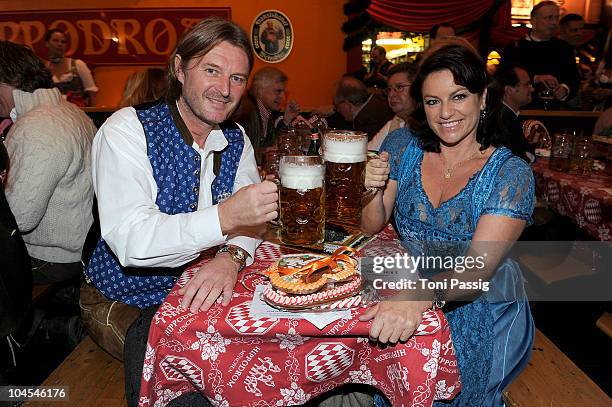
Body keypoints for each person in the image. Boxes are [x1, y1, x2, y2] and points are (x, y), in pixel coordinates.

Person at [82, 16, 277, 405]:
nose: (224, 90)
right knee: (198, 375)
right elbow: (132, 241)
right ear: (179, 69)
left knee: (267, 356)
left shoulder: (236, 138)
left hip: (203, 290)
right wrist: (226, 218)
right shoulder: (127, 130)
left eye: (237, 78)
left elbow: (252, 220)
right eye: (212, 70)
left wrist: (232, 256)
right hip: (124, 299)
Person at [361, 42, 534, 406]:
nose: (445, 113)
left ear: (483, 98)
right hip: (406, 287)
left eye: (458, 96)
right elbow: (371, 225)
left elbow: (477, 271)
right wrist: (371, 190)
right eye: (432, 101)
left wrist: (417, 299)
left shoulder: (509, 173)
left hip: (477, 307)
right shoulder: (404, 144)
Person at [1, 40, 97, 285]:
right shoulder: (71, 111)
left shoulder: (36, 126)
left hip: (49, 260)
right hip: (80, 253)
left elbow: (19, 218)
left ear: (5, 81)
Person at [502, 1, 581, 103]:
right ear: (534, 21)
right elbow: (505, 77)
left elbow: (574, 78)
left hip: (556, 109)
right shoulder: (516, 47)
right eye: (549, 18)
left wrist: (565, 89)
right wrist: (536, 78)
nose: (554, 22)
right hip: (524, 108)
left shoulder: (564, 48)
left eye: (556, 18)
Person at [232, 66, 299, 154]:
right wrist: (263, 153)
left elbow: (272, 143)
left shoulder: (266, 111)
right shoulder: (244, 111)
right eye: (278, 91)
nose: (283, 98)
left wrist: (286, 119)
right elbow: (235, 152)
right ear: (259, 90)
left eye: (284, 93)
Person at [368, 62, 417, 151]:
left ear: (418, 89)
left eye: (399, 87)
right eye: (389, 89)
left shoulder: (431, 126)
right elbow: (369, 153)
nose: (391, 94)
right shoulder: (394, 123)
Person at [492, 63, 536, 162]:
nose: (532, 89)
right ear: (509, 90)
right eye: (527, 85)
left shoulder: (509, 116)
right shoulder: (501, 121)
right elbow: (517, 159)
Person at [43, 28, 99, 106]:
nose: (60, 44)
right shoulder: (44, 69)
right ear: (47, 43)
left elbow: (91, 93)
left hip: (77, 113)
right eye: (55, 40)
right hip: (52, 114)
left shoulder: (78, 64)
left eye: (63, 42)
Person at [333, 76, 394, 140]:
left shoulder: (365, 122)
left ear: (347, 105)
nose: (338, 110)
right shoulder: (378, 100)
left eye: (337, 106)